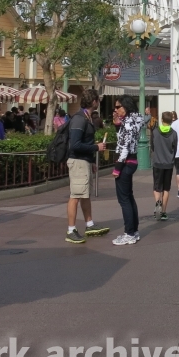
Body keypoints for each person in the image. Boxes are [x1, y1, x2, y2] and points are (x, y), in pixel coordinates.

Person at [65, 88, 109, 243]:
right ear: (93, 101)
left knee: (84, 194)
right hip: (77, 161)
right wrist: (96, 148)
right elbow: (75, 144)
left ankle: (89, 224)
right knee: (75, 195)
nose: (98, 102)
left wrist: (90, 161)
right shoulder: (79, 119)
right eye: (98, 100)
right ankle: (71, 230)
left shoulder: (86, 117)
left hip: (83, 161)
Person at [110, 96, 144, 245]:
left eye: (118, 107)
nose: (115, 110)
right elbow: (122, 139)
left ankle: (129, 233)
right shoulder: (134, 120)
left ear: (126, 106)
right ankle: (133, 231)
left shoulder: (129, 122)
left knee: (124, 199)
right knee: (129, 197)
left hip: (125, 162)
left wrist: (118, 167)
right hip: (131, 160)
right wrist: (118, 125)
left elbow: (124, 146)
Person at [151, 111, 178, 221]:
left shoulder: (155, 132)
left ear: (162, 120)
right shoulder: (174, 133)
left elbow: (152, 146)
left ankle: (158, 202)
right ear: (171, 121)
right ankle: (163, 212)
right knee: (166, 188)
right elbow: (174, 148)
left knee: (157, 187)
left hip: (157, 162)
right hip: (168, 163)